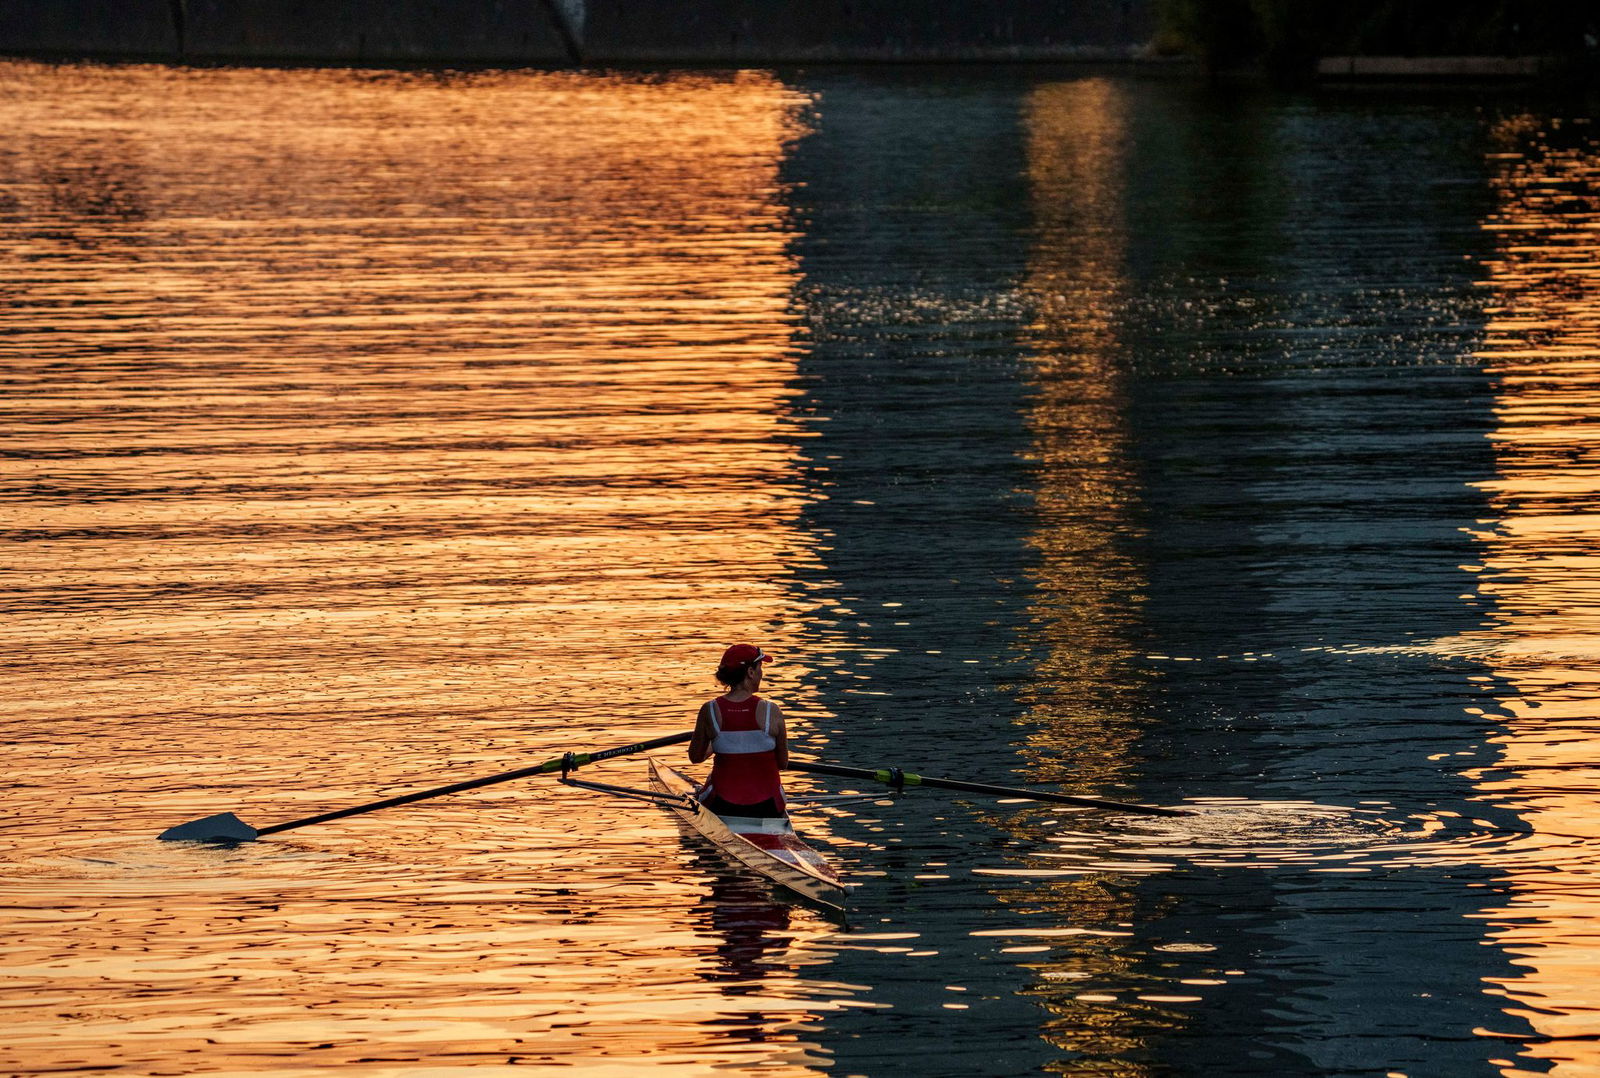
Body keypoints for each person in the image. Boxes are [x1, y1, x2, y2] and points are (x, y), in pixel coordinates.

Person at [688, 644, 788, 818]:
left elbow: (695, 757)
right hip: (768, 807)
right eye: (760, 668)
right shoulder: (773, 711)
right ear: (750, 672)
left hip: (722, 806)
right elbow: (782, 764)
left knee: (707, 787)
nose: (761, 674)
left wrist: (717, 745)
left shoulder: (709, 710)